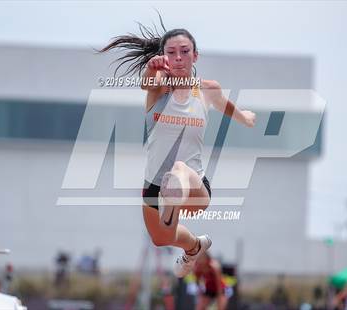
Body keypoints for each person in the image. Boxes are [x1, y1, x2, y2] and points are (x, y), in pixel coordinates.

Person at [99, 16, 256, 278]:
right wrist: (151, 68)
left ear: (196, 56)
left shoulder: (207, 90)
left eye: (185, 52)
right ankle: (195, 247)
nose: (179, 57)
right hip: (154, 185)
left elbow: (224, 104)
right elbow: (146, 82)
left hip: (195, 188)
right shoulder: (158, 89)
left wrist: (245, 117)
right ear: (164, 57)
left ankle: (175, 188)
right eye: (171, 53)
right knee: (161, 239)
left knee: (179, 169)